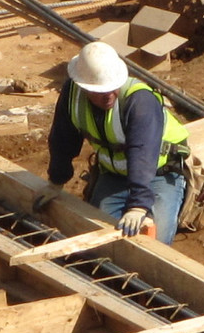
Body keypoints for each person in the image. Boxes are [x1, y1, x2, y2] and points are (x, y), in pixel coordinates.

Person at [47, 41, 190, 241]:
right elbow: (62, 138)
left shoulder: (140, 101)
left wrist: (139, 205)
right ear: (83, 86)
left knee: (155, 241)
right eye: (100, 92)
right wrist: (56, 180)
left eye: (113, 88)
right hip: (113, 175)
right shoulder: (72, 95)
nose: (109, 96)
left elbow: (143, 153)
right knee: (97, 233)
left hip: (158, 174)